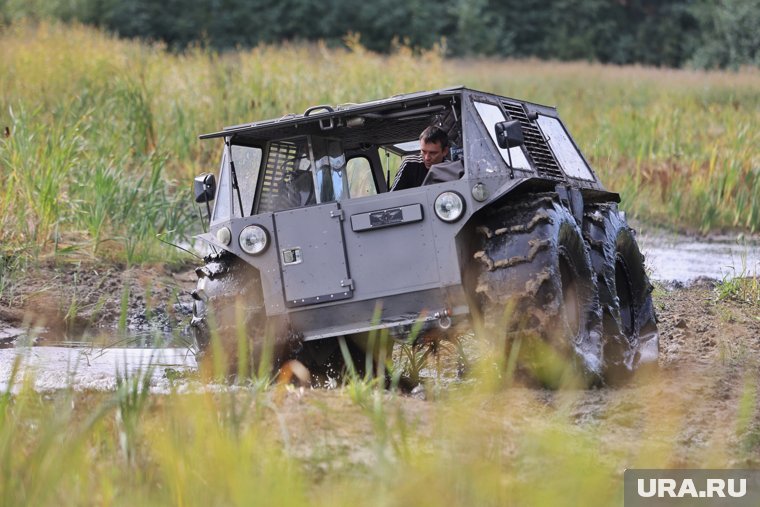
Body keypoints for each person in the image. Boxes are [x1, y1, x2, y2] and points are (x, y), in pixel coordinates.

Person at [390, 126, 449, 191]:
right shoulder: (409, 164)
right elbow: (391, 196)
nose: (427, 158)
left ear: (445, 151)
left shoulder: (451, 170)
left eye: (433, 153)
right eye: (423, 151)